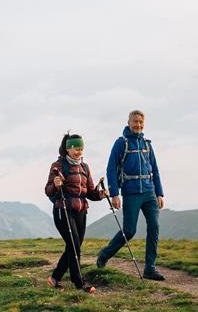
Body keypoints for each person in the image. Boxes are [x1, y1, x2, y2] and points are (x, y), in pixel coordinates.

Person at [97, 110, 165, 281]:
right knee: (129, 230)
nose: (138, 125)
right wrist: (114, 194)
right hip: (131, 192)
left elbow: (155, 169)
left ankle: (150, 268)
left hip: (149, 192)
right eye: (135, 121)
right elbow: (111, 168)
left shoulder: (147, 144)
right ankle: (104, 255)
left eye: (141, 122)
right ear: (128, 122)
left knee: (154, 228)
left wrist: (160, 193)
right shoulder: (121, 143)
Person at [45, 133, 107, 293]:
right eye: (76, 149)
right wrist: (56, 184)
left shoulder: (85, 167)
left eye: (81, 149)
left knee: (74, 246)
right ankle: (79, 282)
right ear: (68, 148)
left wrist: (101, 194)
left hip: (81, 211)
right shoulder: (58, 166)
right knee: (74, 245)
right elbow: (48, 190)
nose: (80, 152)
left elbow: (91, 193)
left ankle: (55, 278)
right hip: (63, 210)